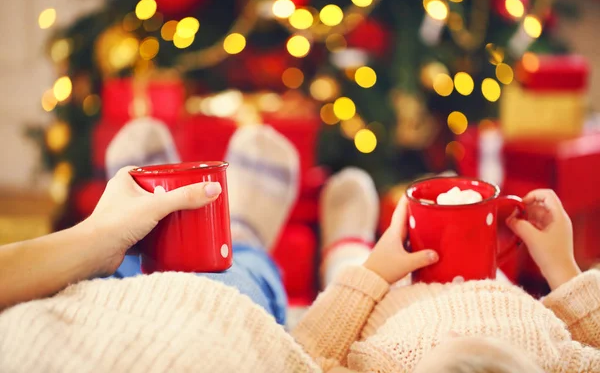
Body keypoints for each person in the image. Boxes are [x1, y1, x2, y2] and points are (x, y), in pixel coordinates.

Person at [0, 125, 597, 372]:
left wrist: (366, 275)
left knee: (207, 283)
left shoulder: (387, 362)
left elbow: (309, 351)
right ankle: (205, 226)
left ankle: (222, 232)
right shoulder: (558, 358)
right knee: (212, 284)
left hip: (374, 301)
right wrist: (564, 271)